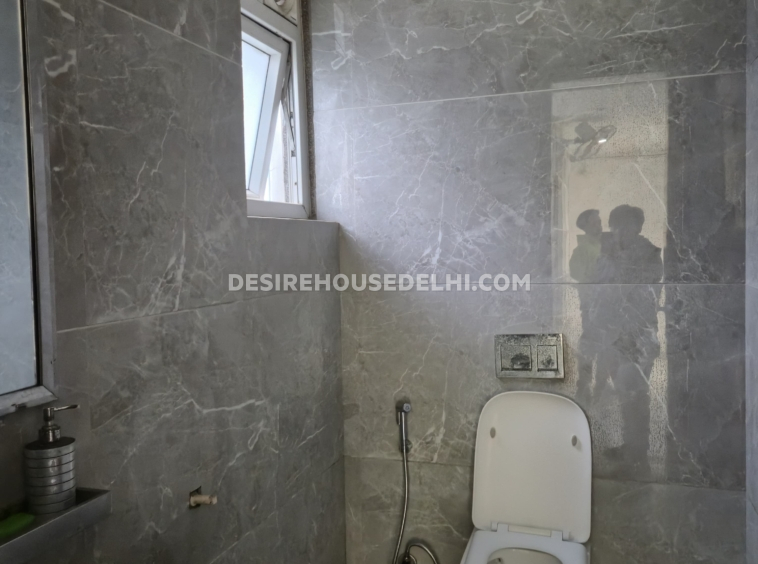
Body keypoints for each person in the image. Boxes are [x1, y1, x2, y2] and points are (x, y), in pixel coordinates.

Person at [569, 209, 603, 283]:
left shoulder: (603, 245)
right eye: (594, 224)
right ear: (585, 227)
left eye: (599, 223)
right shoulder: (581, 250)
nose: (599, 227)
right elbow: (576, 276)